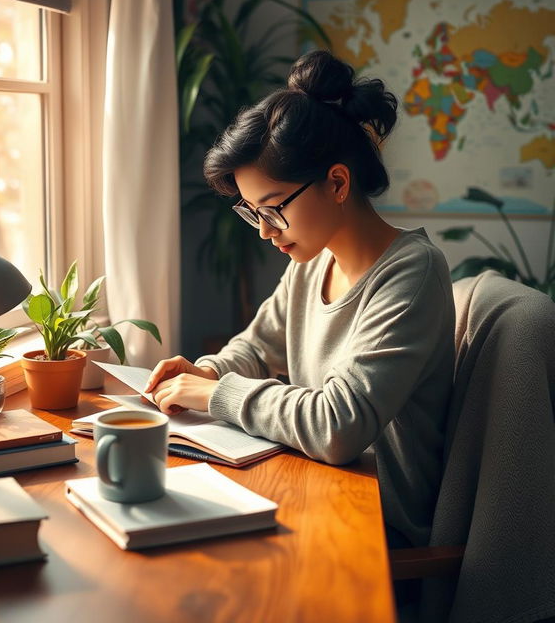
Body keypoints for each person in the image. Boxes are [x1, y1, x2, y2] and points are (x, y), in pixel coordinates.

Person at [144, 50, 455, 551]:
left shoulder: (411, 273)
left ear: (337, 182)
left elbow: (339, 425)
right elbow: (255, 347)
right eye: (252, 213)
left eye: (273, 210)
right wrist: (207, 372)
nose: (265, 232)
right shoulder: (311, 262)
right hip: (319, 488)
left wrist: (215, 395)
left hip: (379, 523)